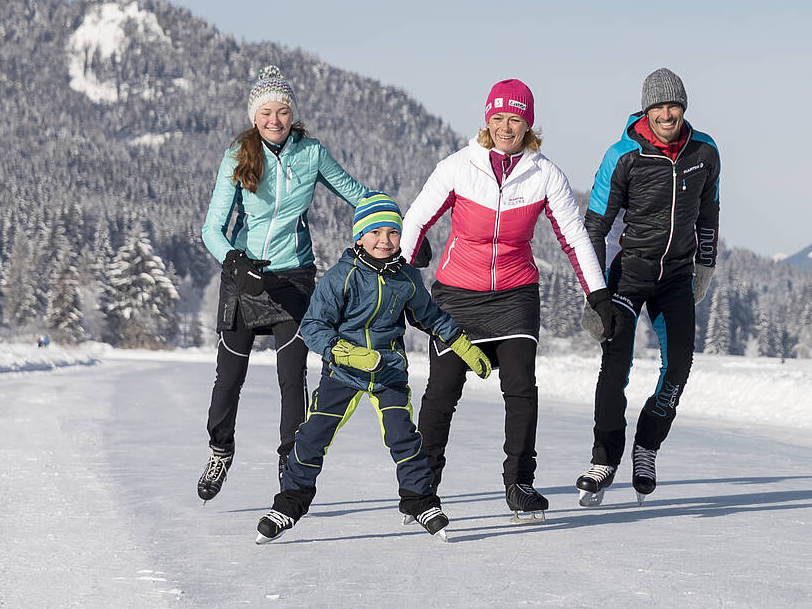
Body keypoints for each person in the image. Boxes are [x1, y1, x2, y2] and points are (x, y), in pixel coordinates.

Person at [401, 79, 616, 521]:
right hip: (457, 295)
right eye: (497, 118)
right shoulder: (458, 167)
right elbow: (416, 218)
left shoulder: (544, 174)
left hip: (515, 294)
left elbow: (573, 238)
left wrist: (598, 295)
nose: (505, 127)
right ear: (486, 121)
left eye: (514, 119)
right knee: (442, 392)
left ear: (528, 123)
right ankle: (422, 486)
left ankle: (519, 482)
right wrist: (404, 269)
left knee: (520, 388)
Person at [256, 193, 492, 543]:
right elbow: (312, 326)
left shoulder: (407, 278)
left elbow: (430, 316)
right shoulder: (341, 277)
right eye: (376, 232)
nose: (385, 240)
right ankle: (289, 504)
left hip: (388, 371)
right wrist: (345, 353)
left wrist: (460, 343)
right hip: (342, 372)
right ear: (359, 237)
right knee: (311, 437)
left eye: (392, 233)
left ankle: (419, 501)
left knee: (404, 437)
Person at [197, 65, 373, 502]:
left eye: (282, 111)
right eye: (265, 112)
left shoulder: (310, 153)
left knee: (293, 378)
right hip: (245, 277)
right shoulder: (239, 152)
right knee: (229, 377)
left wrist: (395, 225)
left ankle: (289, 462)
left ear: (292, 114)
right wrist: (235, 262)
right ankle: (220, 450)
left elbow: (358, 194)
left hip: (294, 275)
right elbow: (211, 229)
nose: (274, 120)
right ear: (254, 116)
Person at [576, 68, 721, 506]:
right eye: (657, 106)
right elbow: (594, 226)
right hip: (630, 273)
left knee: (678, 366)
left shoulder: (705, 151)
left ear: (683, 108)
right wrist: (594, 292)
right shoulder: (623, 155)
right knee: (615, 366)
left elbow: (709, 214)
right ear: (646, 110)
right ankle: (604, 459)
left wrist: (704, 267)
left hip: (676, 276)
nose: (665, 113)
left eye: (673, 105)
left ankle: (647, 447)